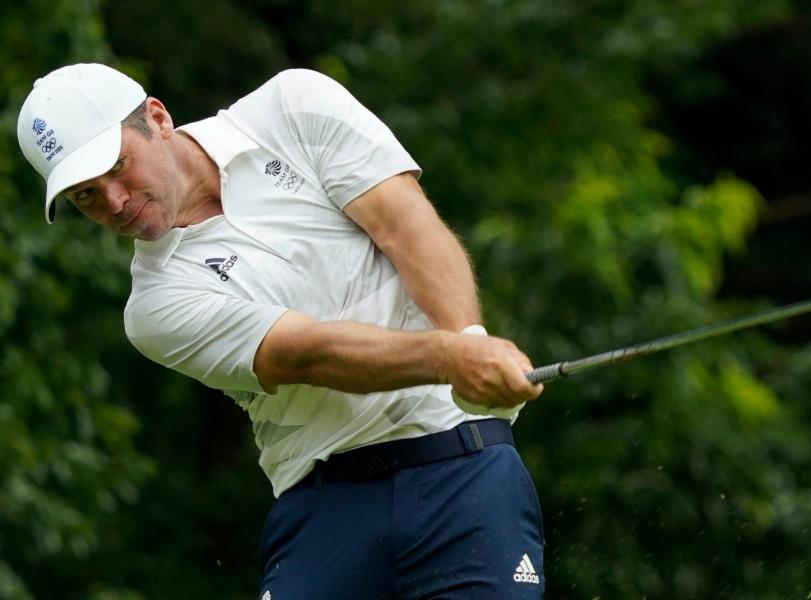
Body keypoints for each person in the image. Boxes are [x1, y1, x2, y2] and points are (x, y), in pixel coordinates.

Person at [18, 63, 545, 599]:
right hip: (325, 509)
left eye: (117, 166)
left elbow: (404, 225)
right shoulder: (154, 306)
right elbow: (306, 353)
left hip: (464, 470)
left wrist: (471, 343)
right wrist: (450, 358)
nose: (113, 201)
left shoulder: (293, 107)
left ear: (157, 118)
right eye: (85, 195)